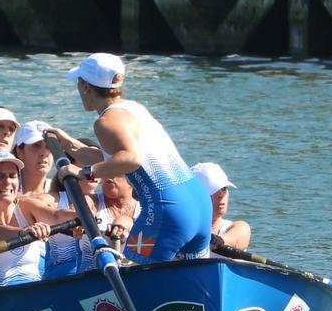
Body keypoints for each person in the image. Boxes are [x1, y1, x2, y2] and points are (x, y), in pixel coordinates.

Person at [47, 52, 211, 264]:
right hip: (198, 201)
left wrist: (83, 172)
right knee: (194, 279)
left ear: (85, 86)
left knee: (132, 274)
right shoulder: (134, 109)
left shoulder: (105, 121)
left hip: (166, 209)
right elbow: (112, 157)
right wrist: (69, 143)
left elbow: (131, 158)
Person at [0, 150, 59, 288]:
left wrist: (84, 220)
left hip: (35, 289)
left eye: (12, 176)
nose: (7, 182)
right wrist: (24, 232)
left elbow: (57, 216)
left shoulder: (27, 206)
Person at [192, 162, 252, 251]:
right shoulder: (180, 230)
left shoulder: (237, 228)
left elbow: (240, 236)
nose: (221, 195)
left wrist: (217, 241)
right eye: (213, 190)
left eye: (223, 188)